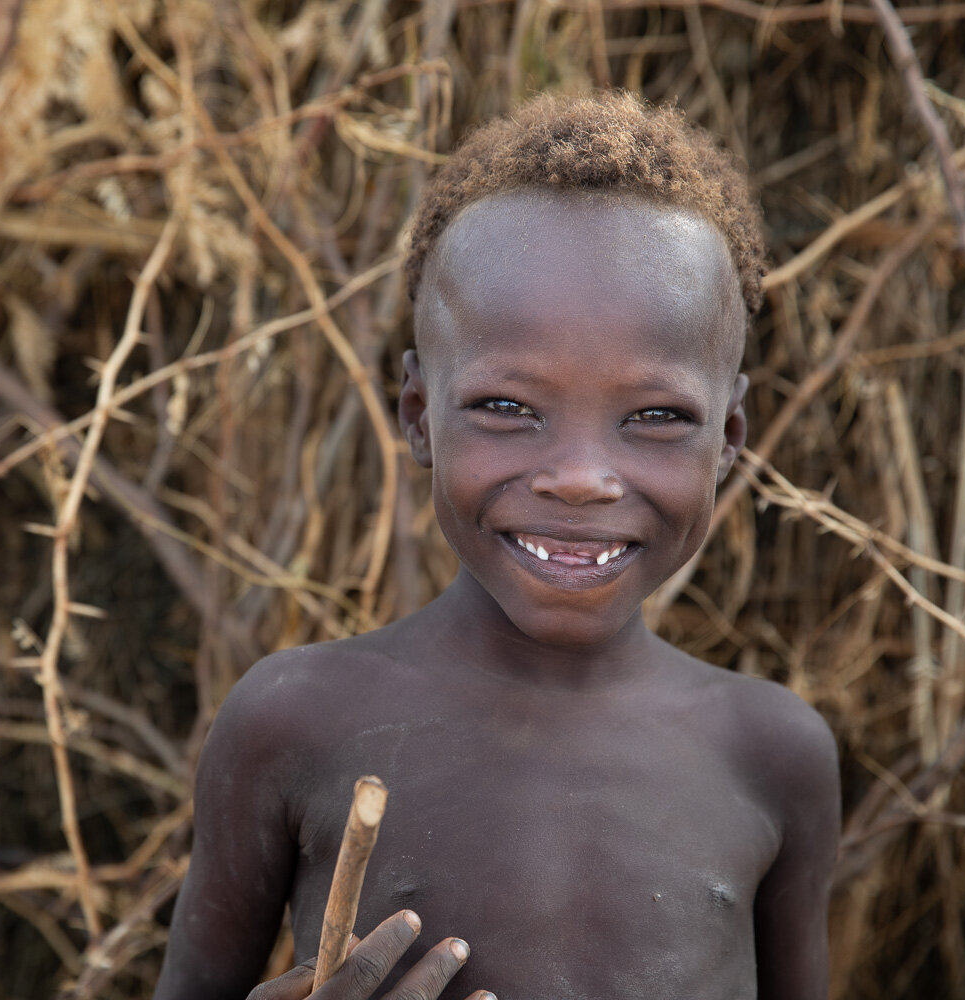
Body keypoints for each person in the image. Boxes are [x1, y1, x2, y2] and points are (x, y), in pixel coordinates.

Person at [153, 91, 841, 1000]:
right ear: (417, 414)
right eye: (509, 409)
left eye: (657, 417)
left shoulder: (771, 752)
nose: (580, 477)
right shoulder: (293, 720)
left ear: (732, 435)